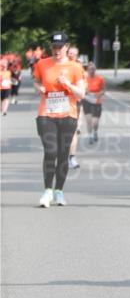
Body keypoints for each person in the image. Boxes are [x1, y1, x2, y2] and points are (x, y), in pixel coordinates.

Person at [32, 32, 86, 207]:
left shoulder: (75, 67)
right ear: (51, 47)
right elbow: (36, 81)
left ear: (67, 47)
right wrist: (38, 87)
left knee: (63, 155)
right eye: (54, 47)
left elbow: (81, 94)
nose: (57, 50)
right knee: (51, 151)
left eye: (60, 47)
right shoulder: (42, 64)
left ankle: (59, 191)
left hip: (68, 115)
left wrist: (67, 84)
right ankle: (47, 191)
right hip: (46, 114)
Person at [66, 45, 85, 169]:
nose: (71, 55)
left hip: (75, 101)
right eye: (70, 53)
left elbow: (83, 87)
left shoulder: (79, 68)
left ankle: (72, 157)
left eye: (74, 53)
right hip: (59, 102)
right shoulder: (60, 65)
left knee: (73, 132)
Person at [83, 62, 105, 142]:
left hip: (97, 101)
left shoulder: (100, 78)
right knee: (89, 120)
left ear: (95, 70)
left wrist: (99, 93)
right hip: (87, 101)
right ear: (87, 70)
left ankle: (95, 131)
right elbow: (80, 89)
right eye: (90, 69)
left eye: (93, 69)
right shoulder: (84, 79)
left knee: (95, 122)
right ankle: (90, 136)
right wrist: (85, 92)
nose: (91, 71)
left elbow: (103, 90)